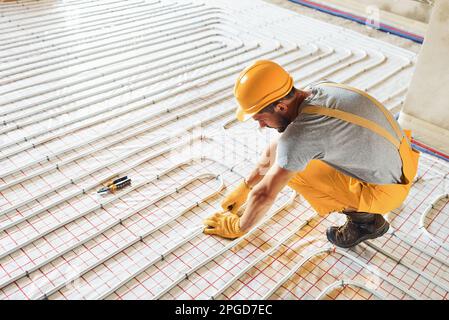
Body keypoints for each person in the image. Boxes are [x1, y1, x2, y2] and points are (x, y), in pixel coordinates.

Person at [203, 60, 419, 248]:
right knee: (289, 153)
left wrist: (238, 227)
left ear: (280, 107)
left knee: (294, 171)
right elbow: (280, 145)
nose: (260, 125)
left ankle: (364, 222)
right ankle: (365, 211)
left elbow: (265, 193)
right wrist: (246, 186)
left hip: (388, 190)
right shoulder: (318, 90)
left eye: (259, 118)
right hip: (402, 159)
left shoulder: (300, 136)